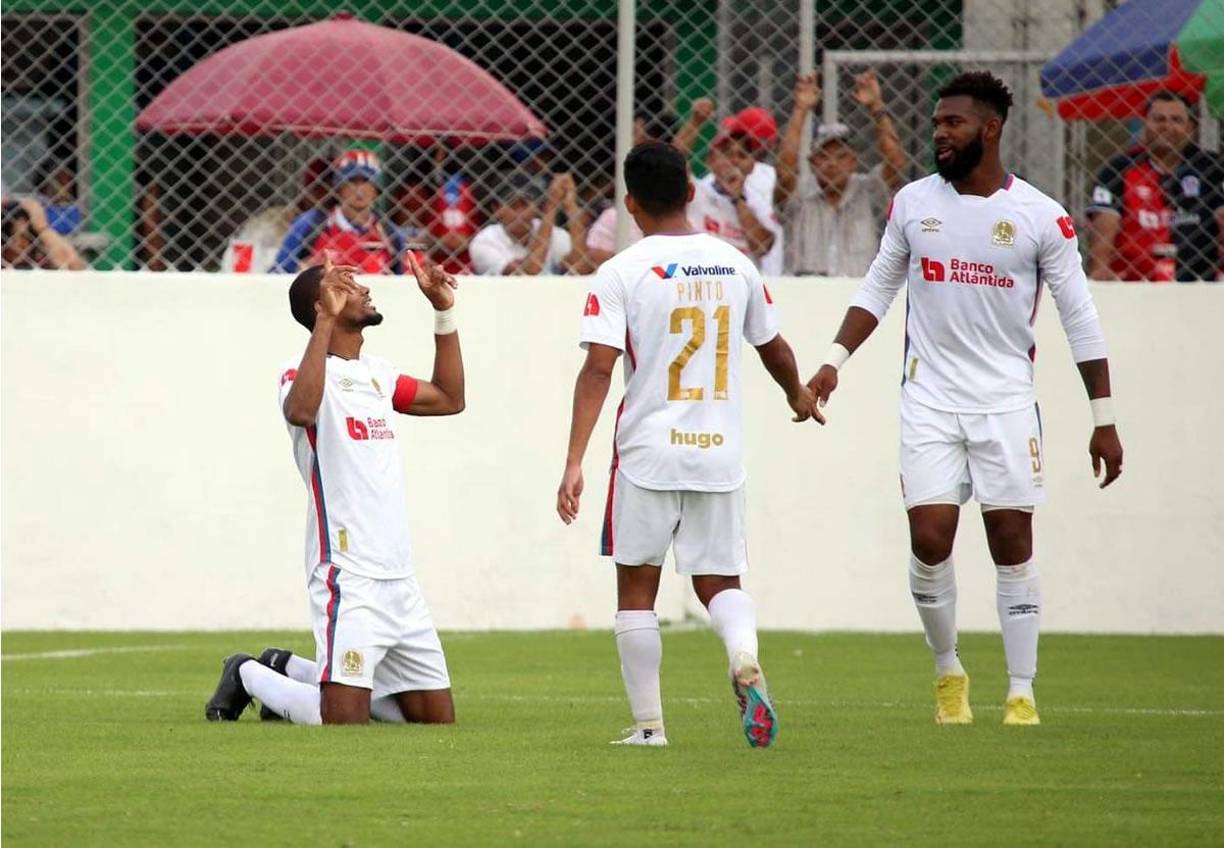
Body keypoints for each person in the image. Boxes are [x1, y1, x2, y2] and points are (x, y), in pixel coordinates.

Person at [807, 72, 1124, 727]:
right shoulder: (912, 204)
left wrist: (1105, 420)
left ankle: (1022, 690)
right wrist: (832, 363)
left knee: (1011, 541)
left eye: (952, 123)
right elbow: (876, 291)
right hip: (928, 398)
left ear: (990, 128)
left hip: (1007, 402)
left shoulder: (1041, 218)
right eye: (936, 124)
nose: (940, 134)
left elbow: (1081, 320)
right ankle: (948, 669)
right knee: (930, 538)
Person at [556, 141, 821, 748]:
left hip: (648, 453)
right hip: (719, 453)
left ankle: (650, 728)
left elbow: (599, 367)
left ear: (630, 203)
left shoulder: (621, 271)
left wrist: (574, 460)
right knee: (720, 581)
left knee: (636, 589)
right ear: (691, 192)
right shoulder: (735, 264)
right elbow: (772, 346)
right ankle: (743, 656)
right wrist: (797, 394)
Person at [205, 251, 465, 725]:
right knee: (342, 721)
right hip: (347, 572)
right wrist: (324, 321)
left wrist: (443, 311)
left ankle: (287, 667)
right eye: (346, 284)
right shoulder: (297, 373)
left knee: (434, 722)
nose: (364, 288)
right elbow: (301, 412)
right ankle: (246, 672)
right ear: (321, 305)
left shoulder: (378, 375)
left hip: (399, 577)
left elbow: (450, 399)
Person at [774, 70, 907, 276]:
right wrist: (800, 110)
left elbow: (896, 163)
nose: (832, 164)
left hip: (858, 295)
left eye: (841, 156)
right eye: (823, 157)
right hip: (804, 295)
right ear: (812, 163)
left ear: (854, 162)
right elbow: (785, 171)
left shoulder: (868, 191)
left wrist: (876, 107)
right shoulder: (799, 195)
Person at [1087, 90, 1224, 282]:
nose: (1167, 126)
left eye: (1176, 120)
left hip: (1200, 281)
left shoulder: (1212, 168)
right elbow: (1104, 226)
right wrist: (1100, 272)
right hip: (1134, 283)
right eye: (1159, 119)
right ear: (1145, 125)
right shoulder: (1118, 169)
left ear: (1191, 128)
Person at [273, 149, 408, 275]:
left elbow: (401, 276)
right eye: (352, 181)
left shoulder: (388, 232)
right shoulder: (311, 223)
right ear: (339, 187)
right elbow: (278, 271)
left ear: (376, 189)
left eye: (366, 181)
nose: (359, 189)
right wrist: (302, 273)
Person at [221, 156, 331, 273]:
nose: (325, 197)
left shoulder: (339, 225)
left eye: (330, 191)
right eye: (319, 190)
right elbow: (241, 260)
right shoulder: (275, 219)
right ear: (306, 190)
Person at [688, 135, 782, 271]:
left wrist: (737, 198)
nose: (734, 160)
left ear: (752, 165)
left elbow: (762, 247)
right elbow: (674, 160)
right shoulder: (697, 192)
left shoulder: (759, 200)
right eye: (726, 153)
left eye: (742, 155)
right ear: (710, 160)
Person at [469, 172, 588, 275]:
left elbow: (580, 268)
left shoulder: (552, 231)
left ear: (535, 206)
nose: (521, 213)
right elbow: (528, 272)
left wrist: (571, 206)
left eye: (525, 205)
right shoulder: (484, 241)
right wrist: (551, 206)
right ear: (496, 209)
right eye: (513, 205)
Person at [2, 196, 86, 270]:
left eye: (25, 236)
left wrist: (43, 228)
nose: (20, 243)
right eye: (12, 237)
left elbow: (76, 266)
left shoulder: (40, 263)